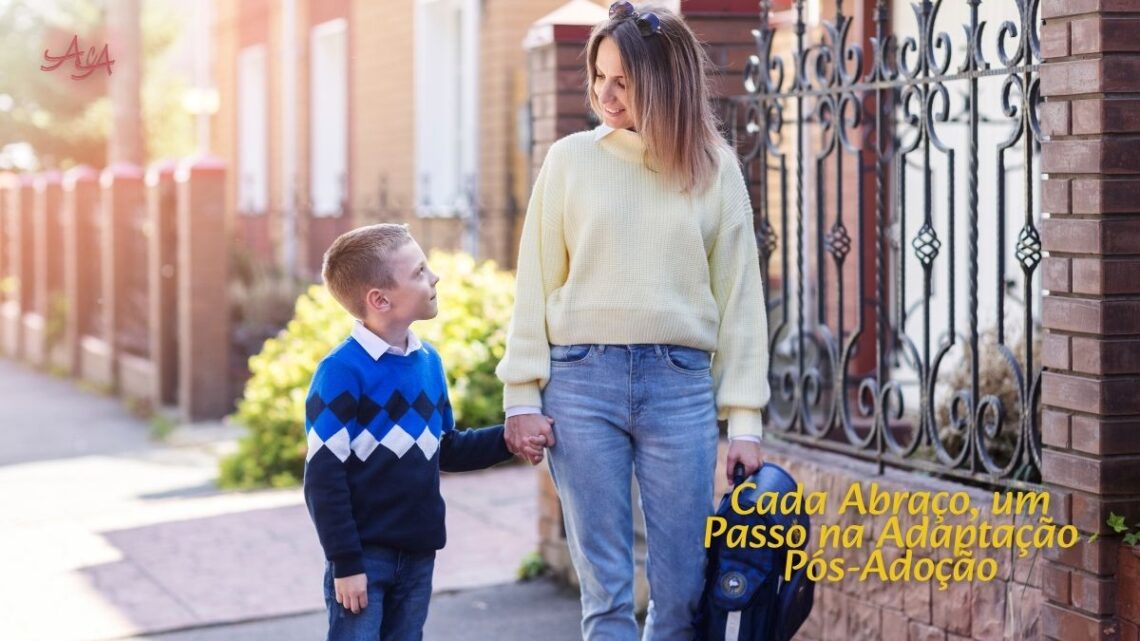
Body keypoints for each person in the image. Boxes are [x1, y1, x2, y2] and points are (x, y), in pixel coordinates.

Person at [495, 3, 771, 640]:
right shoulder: (569, 160)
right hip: (580, 383)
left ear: (666, 81)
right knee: (606, 596)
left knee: (681, 595)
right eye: (598, 77)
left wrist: (745, 421)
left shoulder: (714, 168)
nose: (605, 94)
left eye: (623, 80)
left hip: (679, 388)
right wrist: (521, 397)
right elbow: (535, 282)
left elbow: (740, 302)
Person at [303, 223, 548, 641]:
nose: (434, 277)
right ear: (379, 299)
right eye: (419, 272)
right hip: (364, 558)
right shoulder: (341, 372)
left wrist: (510, 437)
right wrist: (345, 563)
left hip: (418, 553)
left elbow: (445, 448)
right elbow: (323, 478)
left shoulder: (427, 362)